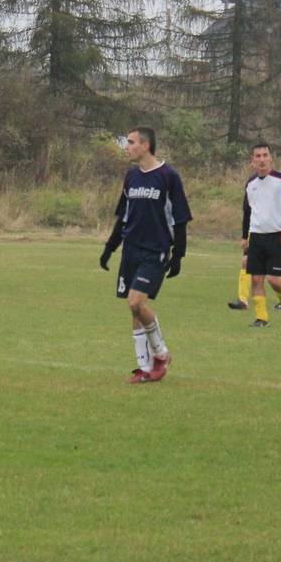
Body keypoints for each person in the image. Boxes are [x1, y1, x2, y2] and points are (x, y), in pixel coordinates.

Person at [100, 126, 191, 383]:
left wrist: (178, 255)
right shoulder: (131, 176)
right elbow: (124, 217)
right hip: (131, 250)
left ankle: (161, 353)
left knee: (135, 302)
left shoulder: (168, 176)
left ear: (145, 145)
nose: (126, 147)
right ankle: (144, 369)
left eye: (131, 142)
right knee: (135, 310)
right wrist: (109, 248)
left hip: (155, 250)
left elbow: (181, 218)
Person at [241, 142, 281, 327]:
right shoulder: (250, 184)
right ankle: (261, 318)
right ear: (252, 160)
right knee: (256, 279)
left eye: (265, 155)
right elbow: (247, 212)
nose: (262, 160)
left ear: (271, 158)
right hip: (256, 236)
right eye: (258, 156)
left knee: (274, 280)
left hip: (276, 236)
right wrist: (244, 236)